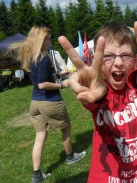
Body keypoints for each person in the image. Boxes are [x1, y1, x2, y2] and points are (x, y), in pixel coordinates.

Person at [58, 21, 137, 182]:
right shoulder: (97, 93)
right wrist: (91, 88)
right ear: (96, 60)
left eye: (125, 55)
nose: (118, 63)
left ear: (136, 59)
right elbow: (97, 96)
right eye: (108, 56)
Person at [9, 26, 86, 183]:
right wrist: (63, 84)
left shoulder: (30, 56)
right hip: (50, 102)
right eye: (49, 38)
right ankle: (70, 157)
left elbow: (40, 77)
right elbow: (43, 84)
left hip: (35, 104)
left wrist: (58, 74)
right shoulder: (43, 58)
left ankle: (37, 175)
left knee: (39, 138)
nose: (50, 42)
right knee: (66, 128)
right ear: (41, 40)